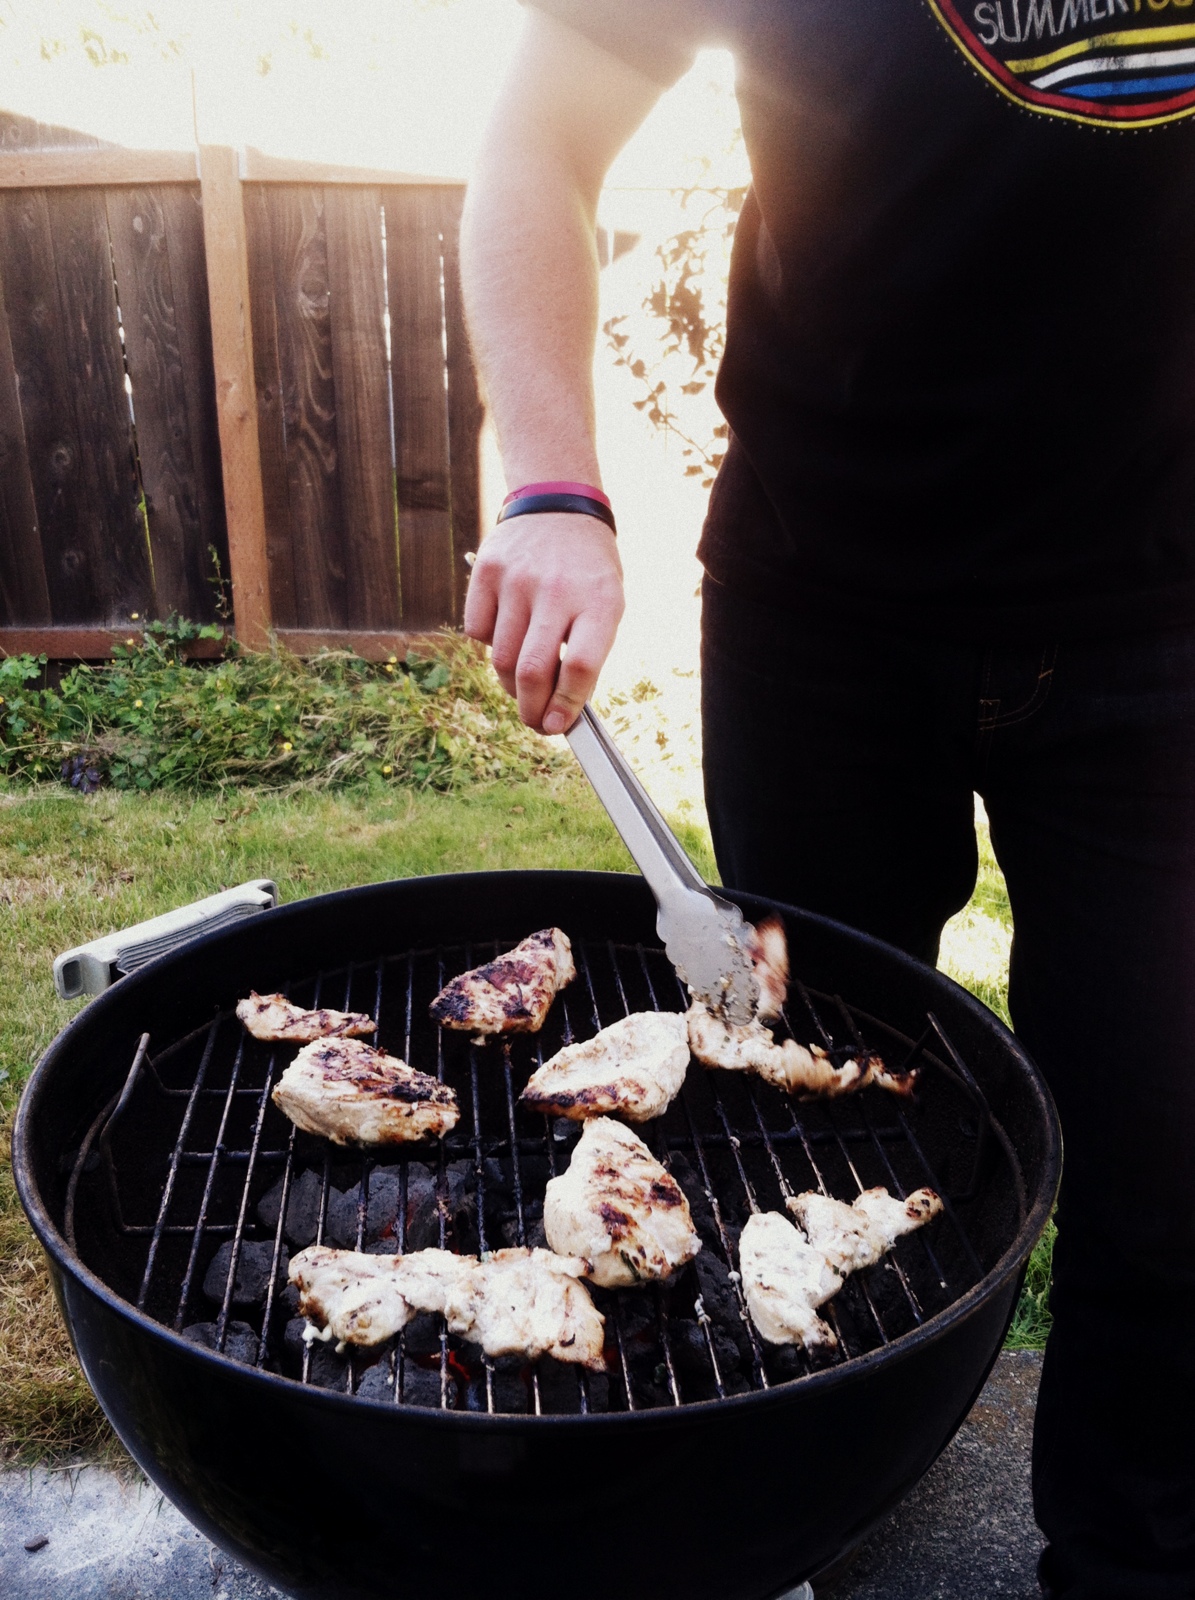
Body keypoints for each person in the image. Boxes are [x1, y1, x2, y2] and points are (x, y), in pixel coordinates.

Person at [458, 6, 1195, 1597]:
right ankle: (805, 1511)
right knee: (786, 1131)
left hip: (1168, 623)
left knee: (1173, 1172)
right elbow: (542, 136)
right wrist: (551, 486)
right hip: (826, 610)